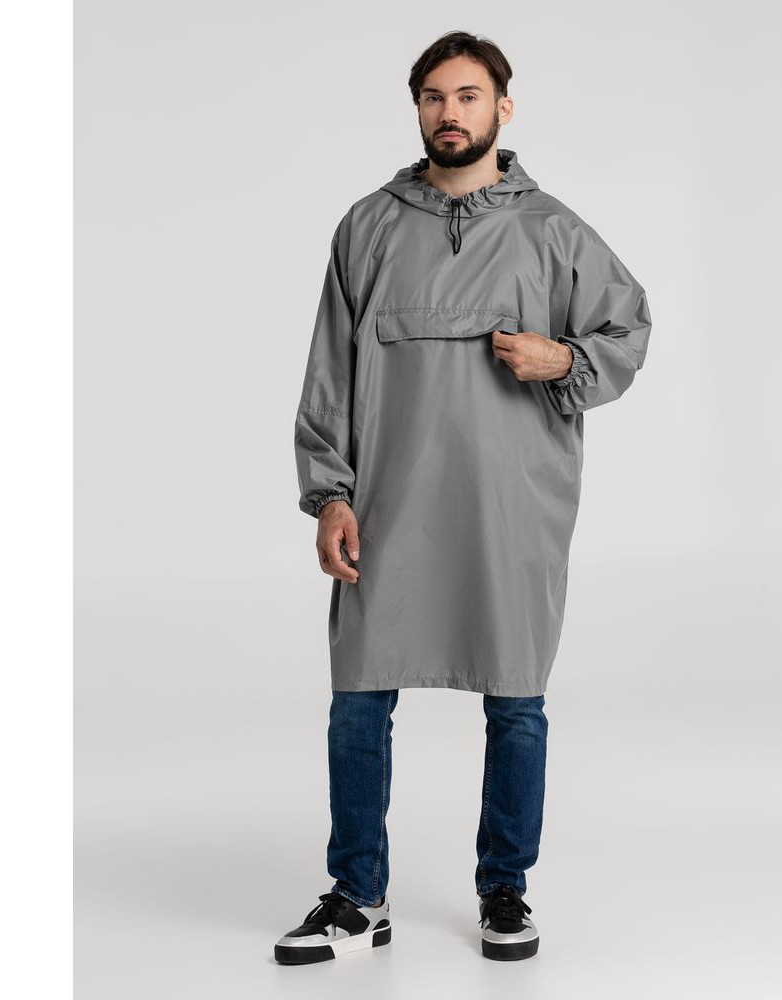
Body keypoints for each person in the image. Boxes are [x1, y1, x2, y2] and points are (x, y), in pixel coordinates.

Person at [277, 30, 653, 965]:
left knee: (516, 702)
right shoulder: (367, 227)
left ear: (503, 109)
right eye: (435, 97)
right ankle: (358, 895)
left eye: (470, 96)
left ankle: (505, 890)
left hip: (512, 507)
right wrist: (330, 495)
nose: (451, 113)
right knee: (358, 699)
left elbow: (629, 329)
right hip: (388, 503)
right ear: (418, 109)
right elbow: (330, 371)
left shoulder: (553, 231)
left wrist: (561, 357)